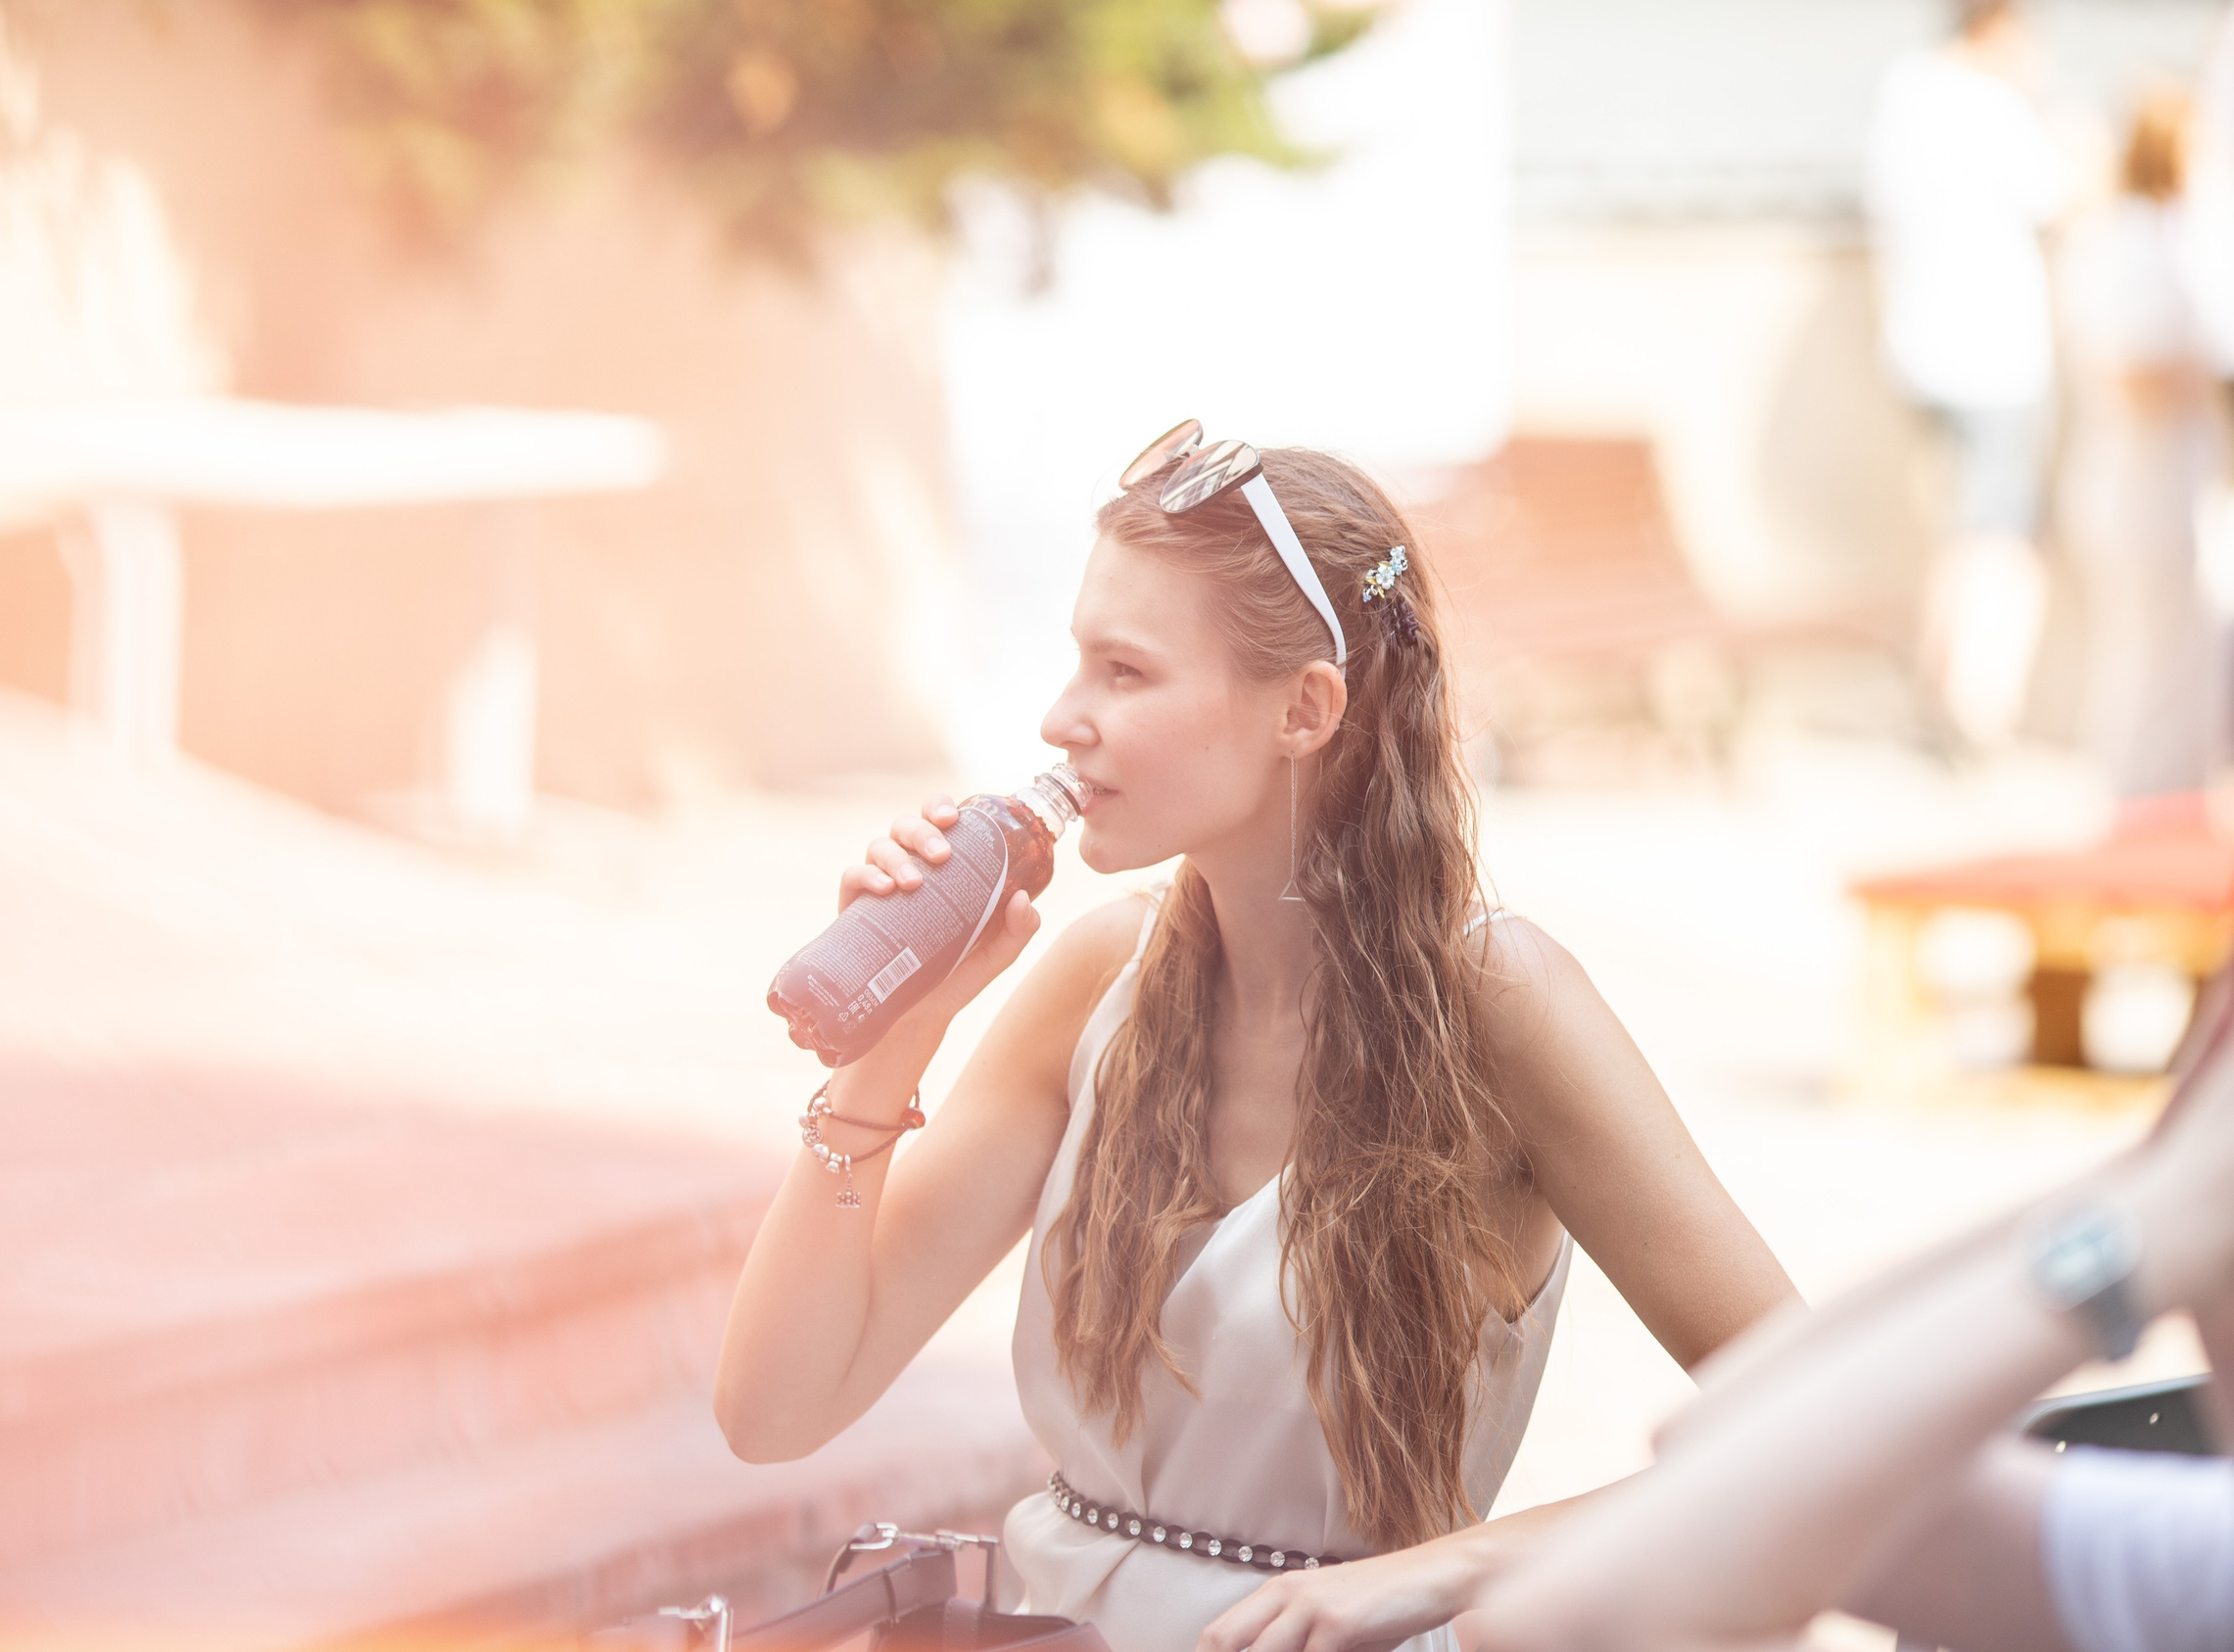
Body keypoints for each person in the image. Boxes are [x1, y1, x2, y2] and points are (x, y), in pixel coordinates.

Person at [716, 427, 1799, 1652]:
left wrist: (1441, 1576)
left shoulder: (1498, 1004)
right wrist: (899, 1035)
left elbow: (1826, 1421)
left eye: (1124, 672)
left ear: (1304, 708)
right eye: (1078, 662)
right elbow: (776, 1408)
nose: (1061, 718)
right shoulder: (1094, 979)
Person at [1466, 978, 2234, 1652]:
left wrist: (2144, 1219)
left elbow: (1590, 1598)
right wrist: (2145, 1195)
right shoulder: (2202, 1555)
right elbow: (1729, 1435)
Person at [1867, 0, 2066, 752]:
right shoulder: (1997, 104)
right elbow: (2058, 196)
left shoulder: (1906, 89)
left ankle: (1938, 681)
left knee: (1961, 524)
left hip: (1920, 347)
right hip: (1996, 354)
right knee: (2002, 527)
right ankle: (1977, 702)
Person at [2059, 85, 2223, 798]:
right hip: (2140, 487)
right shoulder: (2136, 244)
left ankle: (2159, 808)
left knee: (2166, 662)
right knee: (2149, 669)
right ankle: (2144, 819)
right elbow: (2126, 371)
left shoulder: (2144, 237)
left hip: (2153, 485)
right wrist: (2205, 376)